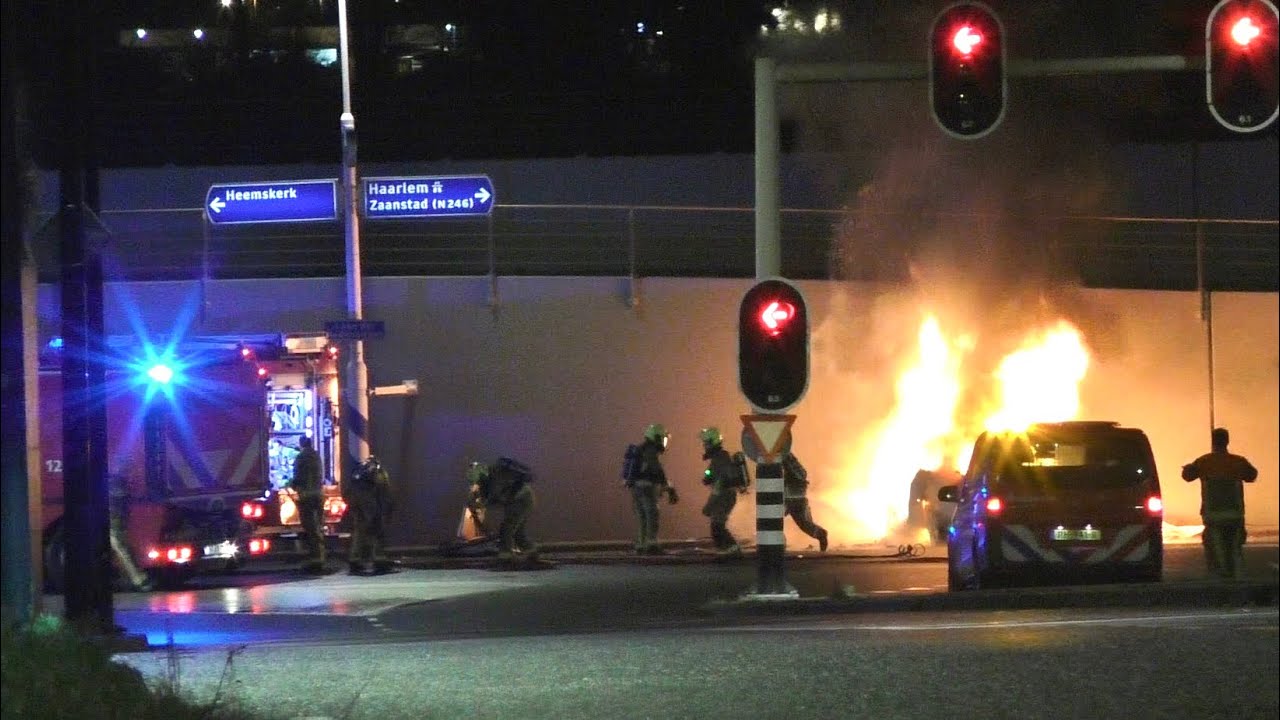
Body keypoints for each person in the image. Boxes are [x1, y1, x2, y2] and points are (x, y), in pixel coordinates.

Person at [1182, 427, 1258, 580]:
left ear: (1213, 441)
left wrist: (1189, 467)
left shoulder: (1204, 461)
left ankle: (1219, 575)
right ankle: (1235, 576)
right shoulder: (1238, 462)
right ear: (1227, 441)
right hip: (1235, 514)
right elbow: (1252, 475)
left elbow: (1187, 476)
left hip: (1212, 514)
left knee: (1214, 547)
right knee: (1235, 548)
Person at [467, 458, 538, 562]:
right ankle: (530, 551)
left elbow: (494, 496)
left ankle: (506, 555)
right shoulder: (487, 481)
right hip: (520, 500)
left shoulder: (496, 476)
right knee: (518, 531)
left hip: (521, 500)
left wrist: (480, 502)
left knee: (507, 527)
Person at [626, 423, 679, 555]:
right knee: (652, 515)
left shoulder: (640, 449)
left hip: (636, 488)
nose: (663, 442)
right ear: (657, 437)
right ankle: (652, 544)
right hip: (647, 488)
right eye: (662, 438)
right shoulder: (650, 450)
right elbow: (657, 469)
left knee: (642, 516)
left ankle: (641, 545)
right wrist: (669, 488)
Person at [345, 455, 395, 575]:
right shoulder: (379, 472)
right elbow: (385, 491)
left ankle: (354, 561)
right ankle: (379, 561)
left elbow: (349, 491)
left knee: (359, 532)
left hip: (356, 504)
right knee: (376, 531)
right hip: (369, 504)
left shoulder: (359, 472)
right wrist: (387, 508)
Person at [699, 426, 744, 556]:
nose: (704, 446)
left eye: (705, 443)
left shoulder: (721, 458)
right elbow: (711, 474)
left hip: (724, 496)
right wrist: (708, 476)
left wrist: (709, 505)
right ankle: (725, 550)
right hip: (723, 495)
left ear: (712, 442)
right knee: (716, 525)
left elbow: (722, 481)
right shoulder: (718, 458)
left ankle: (732, 549)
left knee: (717, 526)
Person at [290, 436, 327, 573]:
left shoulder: (301, 457)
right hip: (318, 495)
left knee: (311, 529)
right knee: (317, 527)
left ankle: (316, 560)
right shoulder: (316, 456)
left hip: (306, 497)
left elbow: (298, 476)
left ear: (301, 444)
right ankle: (320, 558)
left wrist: (293, 485)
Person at [781, 452, 829, 552]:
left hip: (795, 500)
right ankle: (777, 546)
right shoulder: (785, 464)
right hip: (790, 500)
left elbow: (800, 475)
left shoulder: (792, 466)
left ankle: (821, 535)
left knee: (805, 525)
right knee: (772, 521)